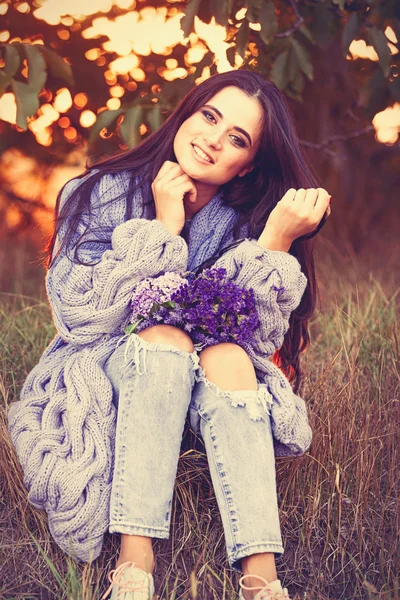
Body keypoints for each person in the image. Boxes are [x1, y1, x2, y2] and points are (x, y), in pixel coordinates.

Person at [7, 70, 331, 600]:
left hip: (202, 392)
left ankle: (262, 579)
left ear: (247, 163)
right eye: (210, 116)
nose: (212, 139)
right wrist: (163, 229)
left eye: (237, 138)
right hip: (114, 374)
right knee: (164, 338)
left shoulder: (241, 220)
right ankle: (136, 566)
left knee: (228, 354)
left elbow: (250, 338)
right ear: (187, 111)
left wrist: (273, 242)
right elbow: (78, 314)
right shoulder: (98, 191)